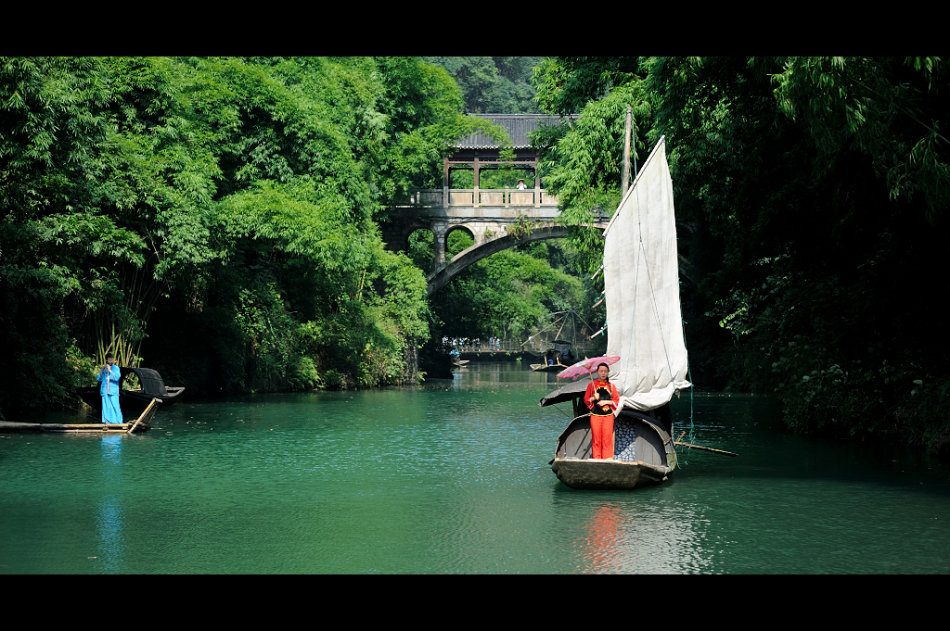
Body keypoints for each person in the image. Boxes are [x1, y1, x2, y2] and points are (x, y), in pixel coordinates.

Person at [584, 363, 619, 459]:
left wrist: (605, 402)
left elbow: (616, 400)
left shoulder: (611, 386)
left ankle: (607, 459)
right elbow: (586, 400)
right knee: (596, 439)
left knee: (607, 439)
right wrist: (593, 398)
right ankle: (597, 459)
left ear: (608, 373)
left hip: (608, 416)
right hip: (595, 416)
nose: (603, 373)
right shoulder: (591, 385)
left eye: (605, 371)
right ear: (597, 372)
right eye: (601, 371)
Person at [97, 353, 123, 424]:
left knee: (115, 406)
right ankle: (107, 422)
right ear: (106, 360)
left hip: (113, 390)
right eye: (109, 359)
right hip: (105, 390)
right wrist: (102, 371)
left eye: (112, 359)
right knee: (106, 407)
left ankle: (118, 422)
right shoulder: (104, 368)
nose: (111, 360)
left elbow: (117, 377)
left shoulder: (116, 368)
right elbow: (99, 379)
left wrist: (110, 370)